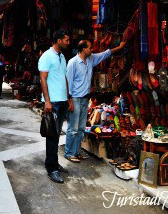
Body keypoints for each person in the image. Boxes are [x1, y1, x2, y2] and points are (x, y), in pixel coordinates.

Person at [64, 39, 126, 163]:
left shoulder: (90, 60)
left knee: (81, 128)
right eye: (90, 48)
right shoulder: (73, 63)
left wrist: (119, 48)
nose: (92, 50)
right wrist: (69, 100)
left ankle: (76, 152)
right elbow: (67, 83)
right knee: (73, 128)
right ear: (83, 49)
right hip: (75, 98)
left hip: (85, 98)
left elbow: (104, 54)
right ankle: (69, 153)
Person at [38, 29, 73, 184]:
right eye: (66, 39)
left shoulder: (62, 56)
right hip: (52, 102)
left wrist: (68, 97)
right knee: (52, 135)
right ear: (58, 40)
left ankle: (54, 163)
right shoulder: (46, 56)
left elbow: (64, 77)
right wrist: (47, 101)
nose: (68, 42)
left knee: (57, 134)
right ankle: (51, 168)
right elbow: (43, 80)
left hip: (62, 100)